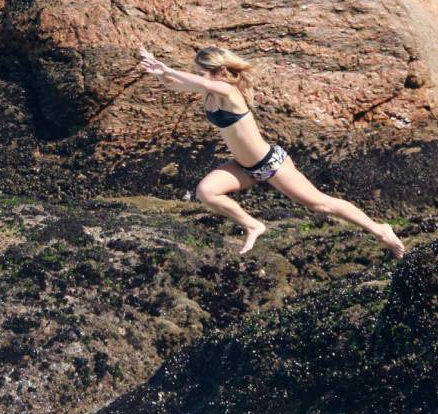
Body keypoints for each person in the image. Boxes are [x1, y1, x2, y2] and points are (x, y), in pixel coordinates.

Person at [136, 46, 405, 257]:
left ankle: (379, 229)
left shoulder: (229, 92)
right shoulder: (208, 91)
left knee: (320, 203)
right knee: (206, 192)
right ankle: (253, 225)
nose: (199, 76)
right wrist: (159, 70)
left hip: (270, 163)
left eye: (202, 71)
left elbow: (203, 84)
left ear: (218, 71)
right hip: (244, 167)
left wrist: (167, 67)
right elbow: (176, 83)